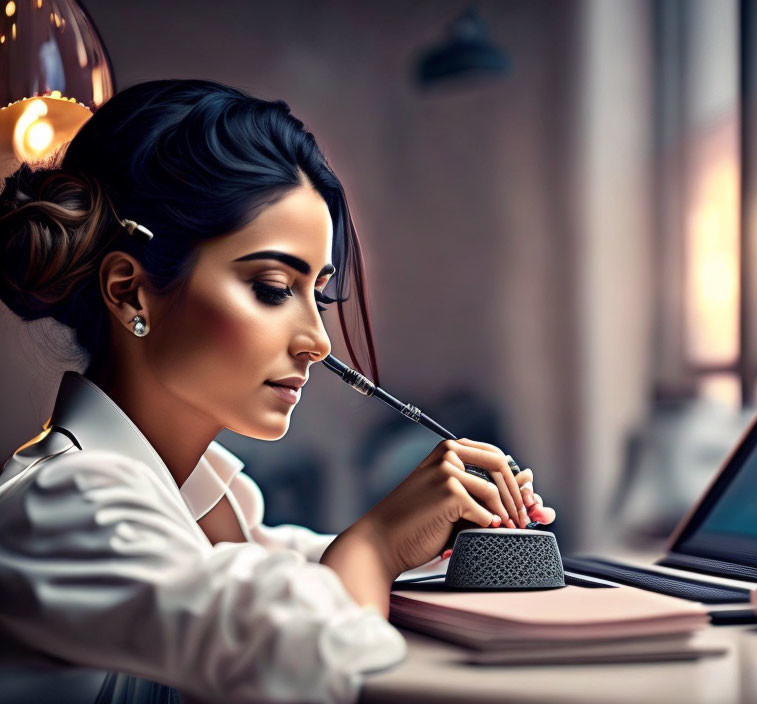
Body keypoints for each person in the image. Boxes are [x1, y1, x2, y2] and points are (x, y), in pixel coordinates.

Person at [0, 79, 556, 704]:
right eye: (271, 288)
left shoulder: (208, 498)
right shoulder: (65, 502)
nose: (317, 341)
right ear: (129, 290)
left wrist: (427, 533)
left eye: (317, 294)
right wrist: (374, 544)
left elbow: (288, 576)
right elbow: (317, 658)